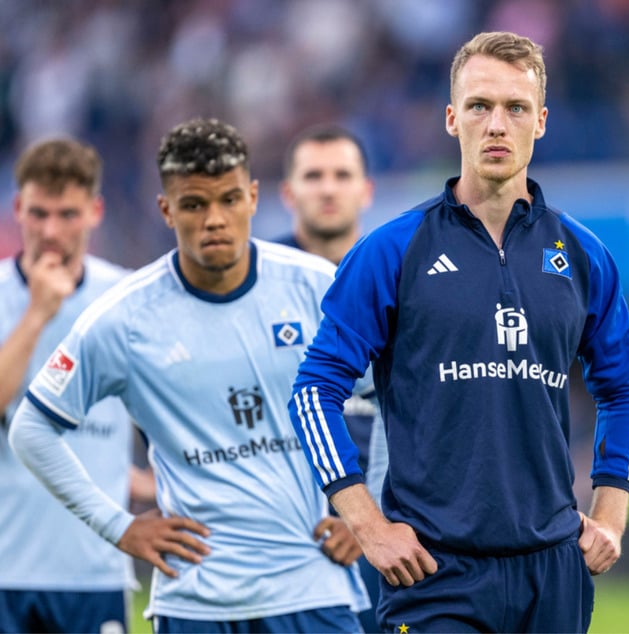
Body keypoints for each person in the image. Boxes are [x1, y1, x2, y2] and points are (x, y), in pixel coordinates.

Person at [287, 31, 629, 633]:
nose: (497, 125)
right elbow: (312, 390)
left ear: (542, 122)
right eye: (480, 106)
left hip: (552, 571)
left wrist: (610, 512)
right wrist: (367, 524)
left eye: (516, 108)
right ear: (453, 119)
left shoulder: (585, 255)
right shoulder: (391, 252)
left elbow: (624, 386)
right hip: (433, 574)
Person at [9, 118, 369, 632]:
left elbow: (403, 399)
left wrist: (369, 511)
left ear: (253, 197)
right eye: (195, 205)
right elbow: (31, 429)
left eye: (228, 199)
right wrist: (120, 528)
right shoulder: (124, 317)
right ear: (166, 209)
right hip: (195, 602)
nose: (214, 220)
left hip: (312, 587)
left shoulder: (318, 287)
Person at [0, 138, 152, 633]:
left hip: (96, 567)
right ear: (18, 208)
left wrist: (152, 485)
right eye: (38, 213)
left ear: (95, 212)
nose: (50, 231)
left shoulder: (125, 295)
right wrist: (38, 314)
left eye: (67, 214)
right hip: (8, 567)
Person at [276, 123, 387, 633]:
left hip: (385, 525)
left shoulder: (402, 278)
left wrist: (368, 513)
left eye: (341, 175)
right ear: (287, 191)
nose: (327, 188)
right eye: (313, 175)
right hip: (276, 530)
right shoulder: (254, 281)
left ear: (365, 190)